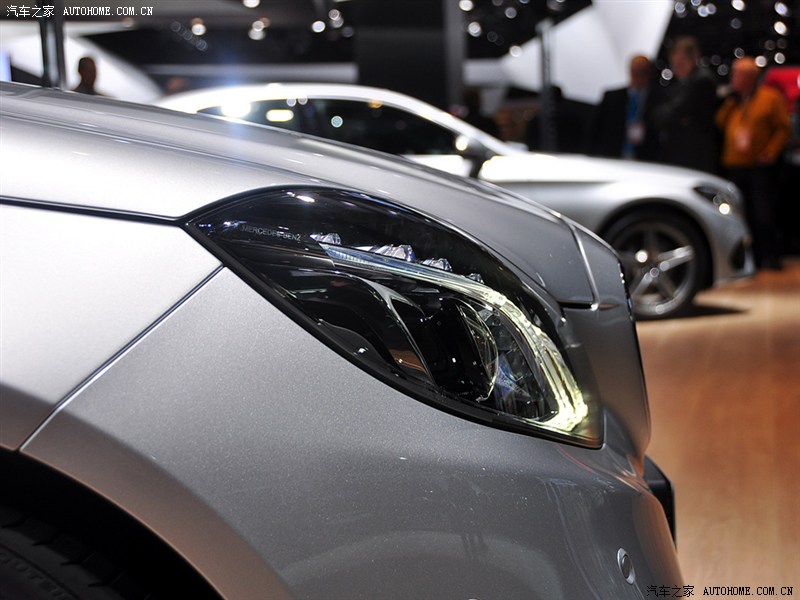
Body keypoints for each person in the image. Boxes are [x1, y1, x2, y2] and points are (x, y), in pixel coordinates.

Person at [716, 57, 790, 269]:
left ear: (750, 77)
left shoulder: (770, 98)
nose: (733, 78)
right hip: (735, 165)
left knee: (763, 213)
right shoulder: (733, 101)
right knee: (740, 214)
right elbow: (719, 123)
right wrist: (729, 103)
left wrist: (770, 152)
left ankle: (771, 256)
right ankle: (750, 258)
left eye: (737, 74)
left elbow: (783, 128)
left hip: (760, 166)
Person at [653, 36, 718, 173]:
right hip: (680, 151)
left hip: (694, 153)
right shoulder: (681, 82)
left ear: (694, 58)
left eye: (680, 62)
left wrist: (674, 117)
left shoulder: (701, 80)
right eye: (674, 63)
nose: (676, 67)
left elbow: (676, 111)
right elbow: (660, 114)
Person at [590, 55, 659, 161]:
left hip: (644, 158)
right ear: (630, 71)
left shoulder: (658, 100)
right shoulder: (612, 97)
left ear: (648, 73)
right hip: (612, 156)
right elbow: (595, 129)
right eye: (635, 70)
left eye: (642, 71)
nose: (638, 75)